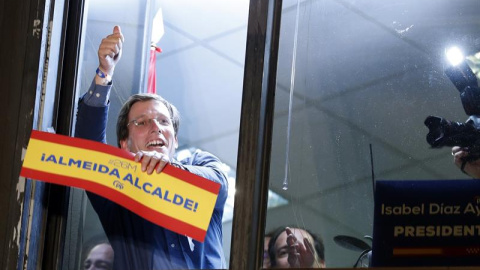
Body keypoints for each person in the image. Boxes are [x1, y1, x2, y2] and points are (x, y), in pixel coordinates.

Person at [75, 25, 228, 269]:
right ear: (124, 144)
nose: (156, 127)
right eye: (142, 122)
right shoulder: (118, 191)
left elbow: (217, 186)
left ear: (175, 140)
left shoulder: (200, 164)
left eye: (164, 122)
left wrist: (172, 171)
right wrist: (105, 73)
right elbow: (87, 151)